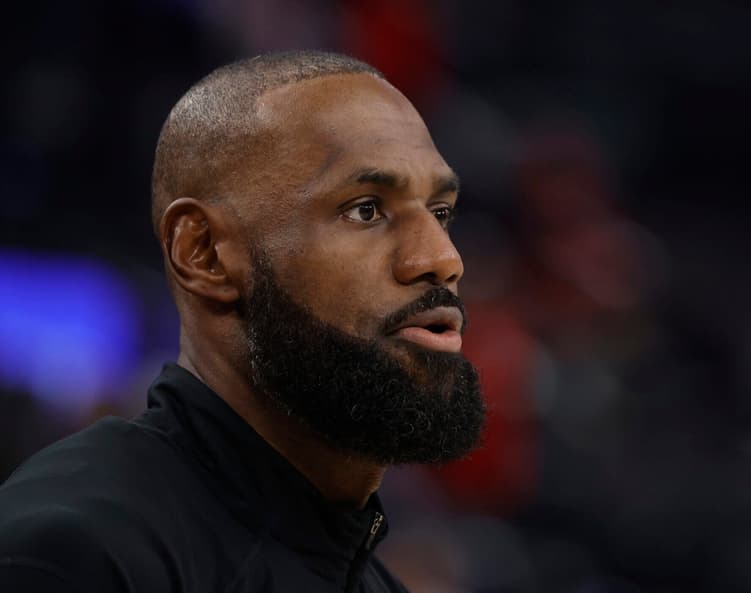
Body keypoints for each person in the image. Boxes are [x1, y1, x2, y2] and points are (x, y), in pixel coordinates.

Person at [0, 51, 485, 592]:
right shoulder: (73, 555)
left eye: (440, 212)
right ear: (203, 253)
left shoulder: (370, 578)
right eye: (366, 209)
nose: (443, 258)